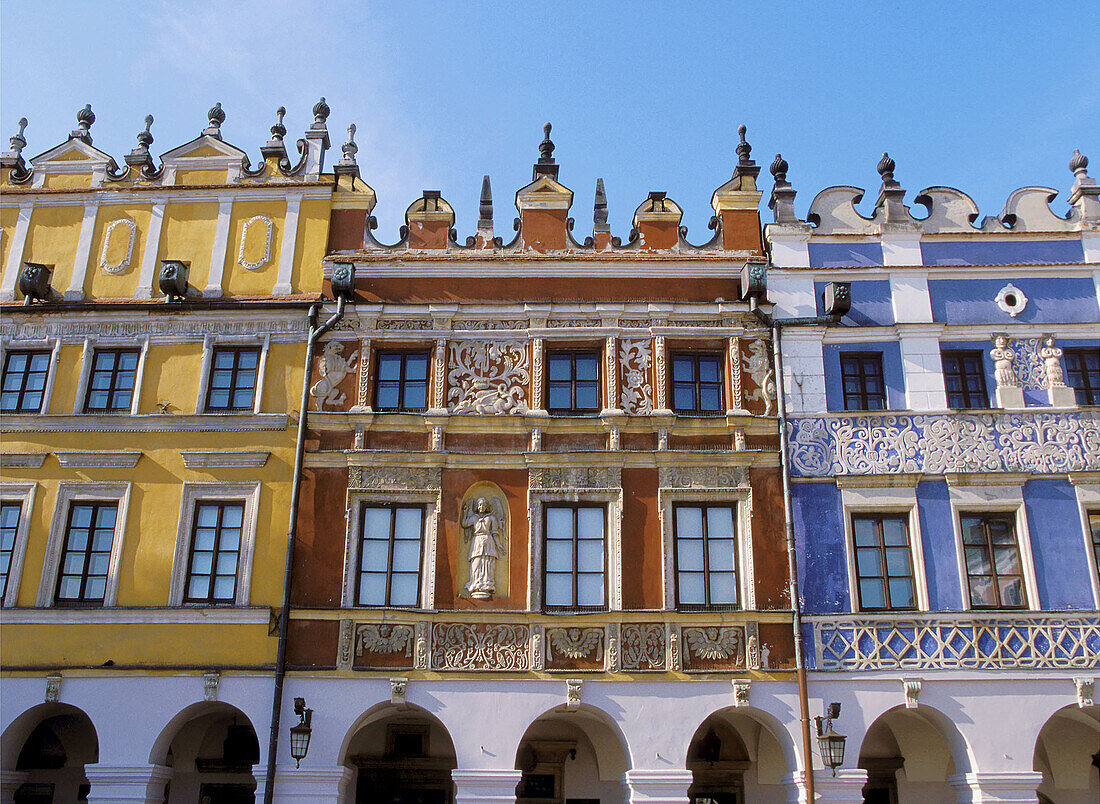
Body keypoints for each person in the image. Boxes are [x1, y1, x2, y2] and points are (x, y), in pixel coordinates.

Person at [463, 496, 505, 599]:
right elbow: (464, 524)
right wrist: (465, 512)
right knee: (476, 563)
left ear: (486, 507)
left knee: (488, 563)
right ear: (477, 507)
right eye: (480, 505)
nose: (481, 507)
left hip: (488, 540)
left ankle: (487, 585)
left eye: (483, 505)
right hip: (477, 541)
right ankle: (475, 584)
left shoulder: (491, 518)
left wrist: (498, 544)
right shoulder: (473, 518)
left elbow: (495, 532)